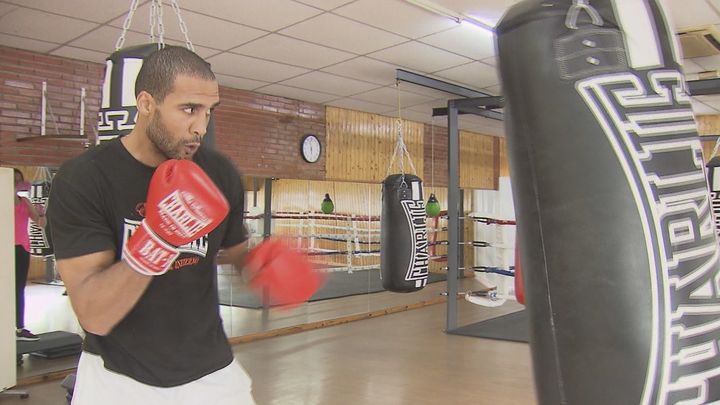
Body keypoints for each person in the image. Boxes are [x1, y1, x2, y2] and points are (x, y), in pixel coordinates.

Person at [47, 46, 256, 404]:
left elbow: (237, 254)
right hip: (117, 378)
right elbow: (95, 315)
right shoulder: (84, 178)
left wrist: (266, 267)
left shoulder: (218, 172)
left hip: (212, 373)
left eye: (209, 111)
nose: (201, 127)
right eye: (189, 108)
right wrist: (157, 240)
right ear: (146, 103)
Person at [13, 168, 45, 342]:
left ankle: (19, 327)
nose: (17, 183)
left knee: (19, 289)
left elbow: (40, 223)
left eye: (19, 180)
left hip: (22, 249)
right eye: (14, 180)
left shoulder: (25, 202)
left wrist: (41, 213)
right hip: (5, 250)